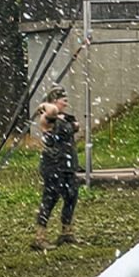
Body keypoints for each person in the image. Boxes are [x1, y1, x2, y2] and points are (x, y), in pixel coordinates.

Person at [32, 88, 81, 250]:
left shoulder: (65, 117)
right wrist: (48, 105)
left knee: (71, 196)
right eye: (63, 100)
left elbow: (75, 126)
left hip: (68, 163)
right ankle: (40, 237)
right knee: (50, 199)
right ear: (54, 101)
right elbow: (52, 113)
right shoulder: (48, 116)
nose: (66, 103)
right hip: (53, 164)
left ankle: (66, 232)